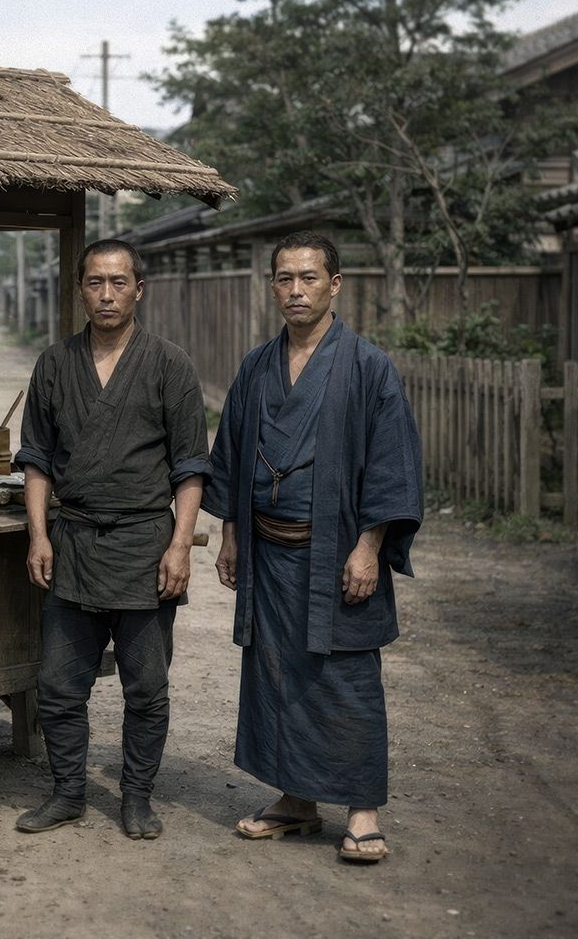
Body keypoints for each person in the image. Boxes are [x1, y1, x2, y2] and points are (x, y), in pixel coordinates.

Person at [202, 230, 422, 863]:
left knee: (347, 676)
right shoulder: (256, 366)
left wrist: (369, 546)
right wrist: (232, 534)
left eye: (307, 278)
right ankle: (296, 801)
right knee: (275, 672)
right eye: (283, 279)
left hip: (336, 554)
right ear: (272, 286)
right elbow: (236, 454)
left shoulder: (369, 367)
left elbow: (390, 466)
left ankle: (361, 810)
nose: (295, 290)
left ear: (335, 284)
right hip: (269, 555)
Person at [12, 238, 209, 840]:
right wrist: (39, 535)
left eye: (118, 282)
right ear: (80, 289)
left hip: (143, 547)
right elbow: (39, 459)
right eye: (95, 282)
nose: (106, 294)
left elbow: (190, 465)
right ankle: (68, 792)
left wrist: (179, 545)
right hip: (72, 543)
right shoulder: (54, 363)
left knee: (146, 686)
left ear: (138, 288)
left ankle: (137, 797)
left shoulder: (169, 363)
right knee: (57, 684)